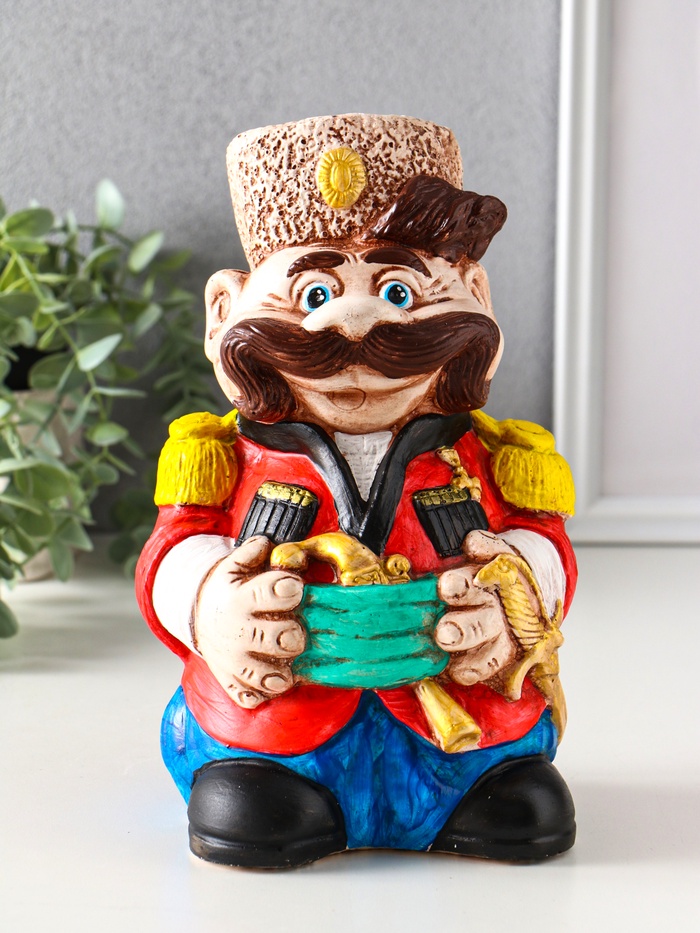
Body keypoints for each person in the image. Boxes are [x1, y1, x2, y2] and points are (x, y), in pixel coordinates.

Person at [136, 113, 577, 868]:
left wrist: (512, 604)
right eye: (313, 293)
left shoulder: (490, 456)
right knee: (255, 805)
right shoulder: (223, 457)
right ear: (225, 312)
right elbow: (173, 548)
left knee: (515, 798)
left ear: (474, 295)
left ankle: (476, 787)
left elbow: (544, 543)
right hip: (278, 724)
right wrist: (211, 605)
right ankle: (268, 786)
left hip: (463, 718)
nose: (357, 326)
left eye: (399, 289)